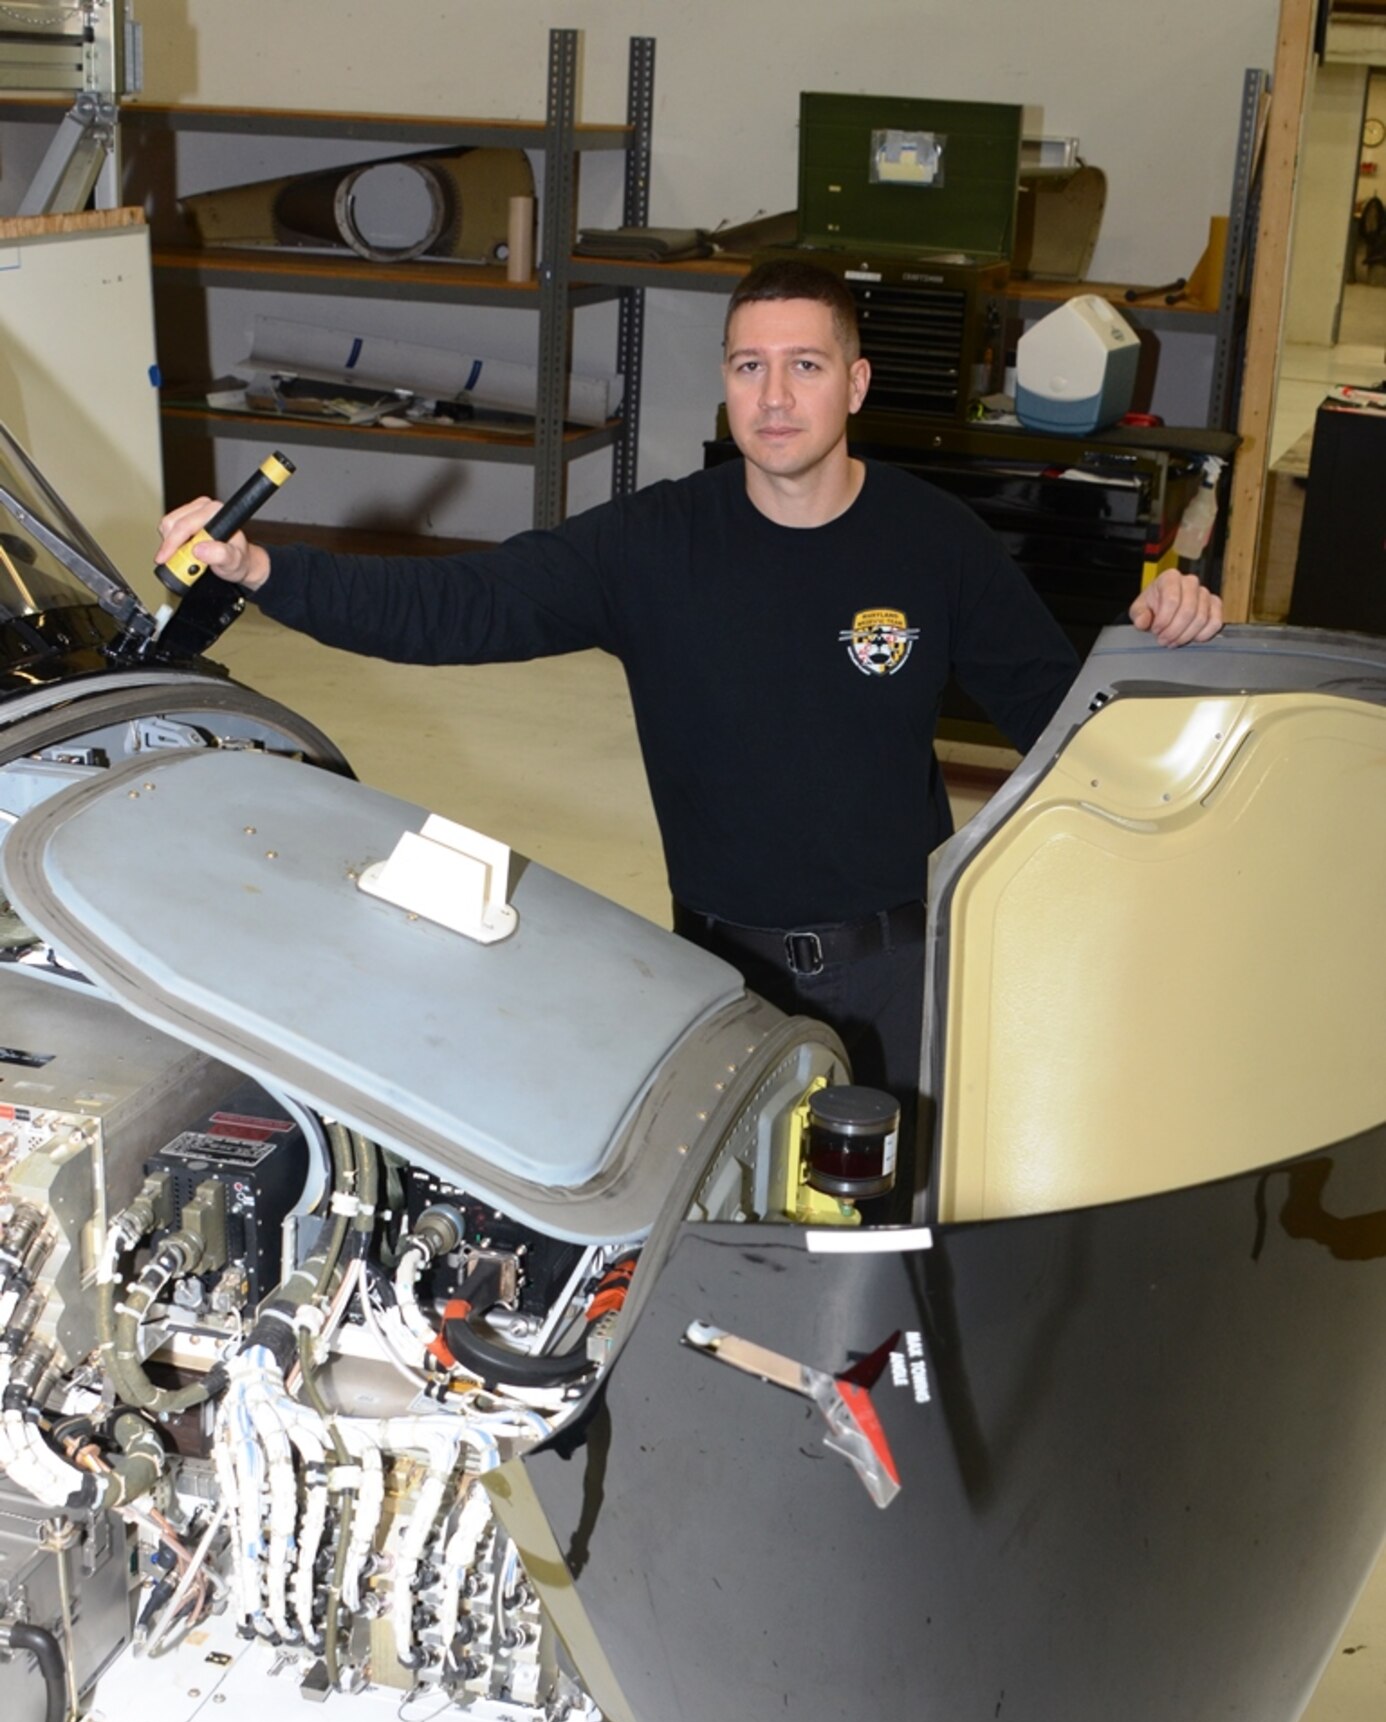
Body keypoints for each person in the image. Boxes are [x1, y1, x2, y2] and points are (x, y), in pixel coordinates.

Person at [156, 259, 1223, 1202]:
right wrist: (264, 569)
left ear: (854, 383)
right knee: (725, 1230)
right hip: (711, 976)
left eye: (805, 365)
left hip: (896, 974)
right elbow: (460, 605)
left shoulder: (934, 544)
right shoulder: (655, 547)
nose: (774, 395)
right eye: (748, 366)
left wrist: (1161, 645)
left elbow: (1064, 723)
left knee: (892, 1233)